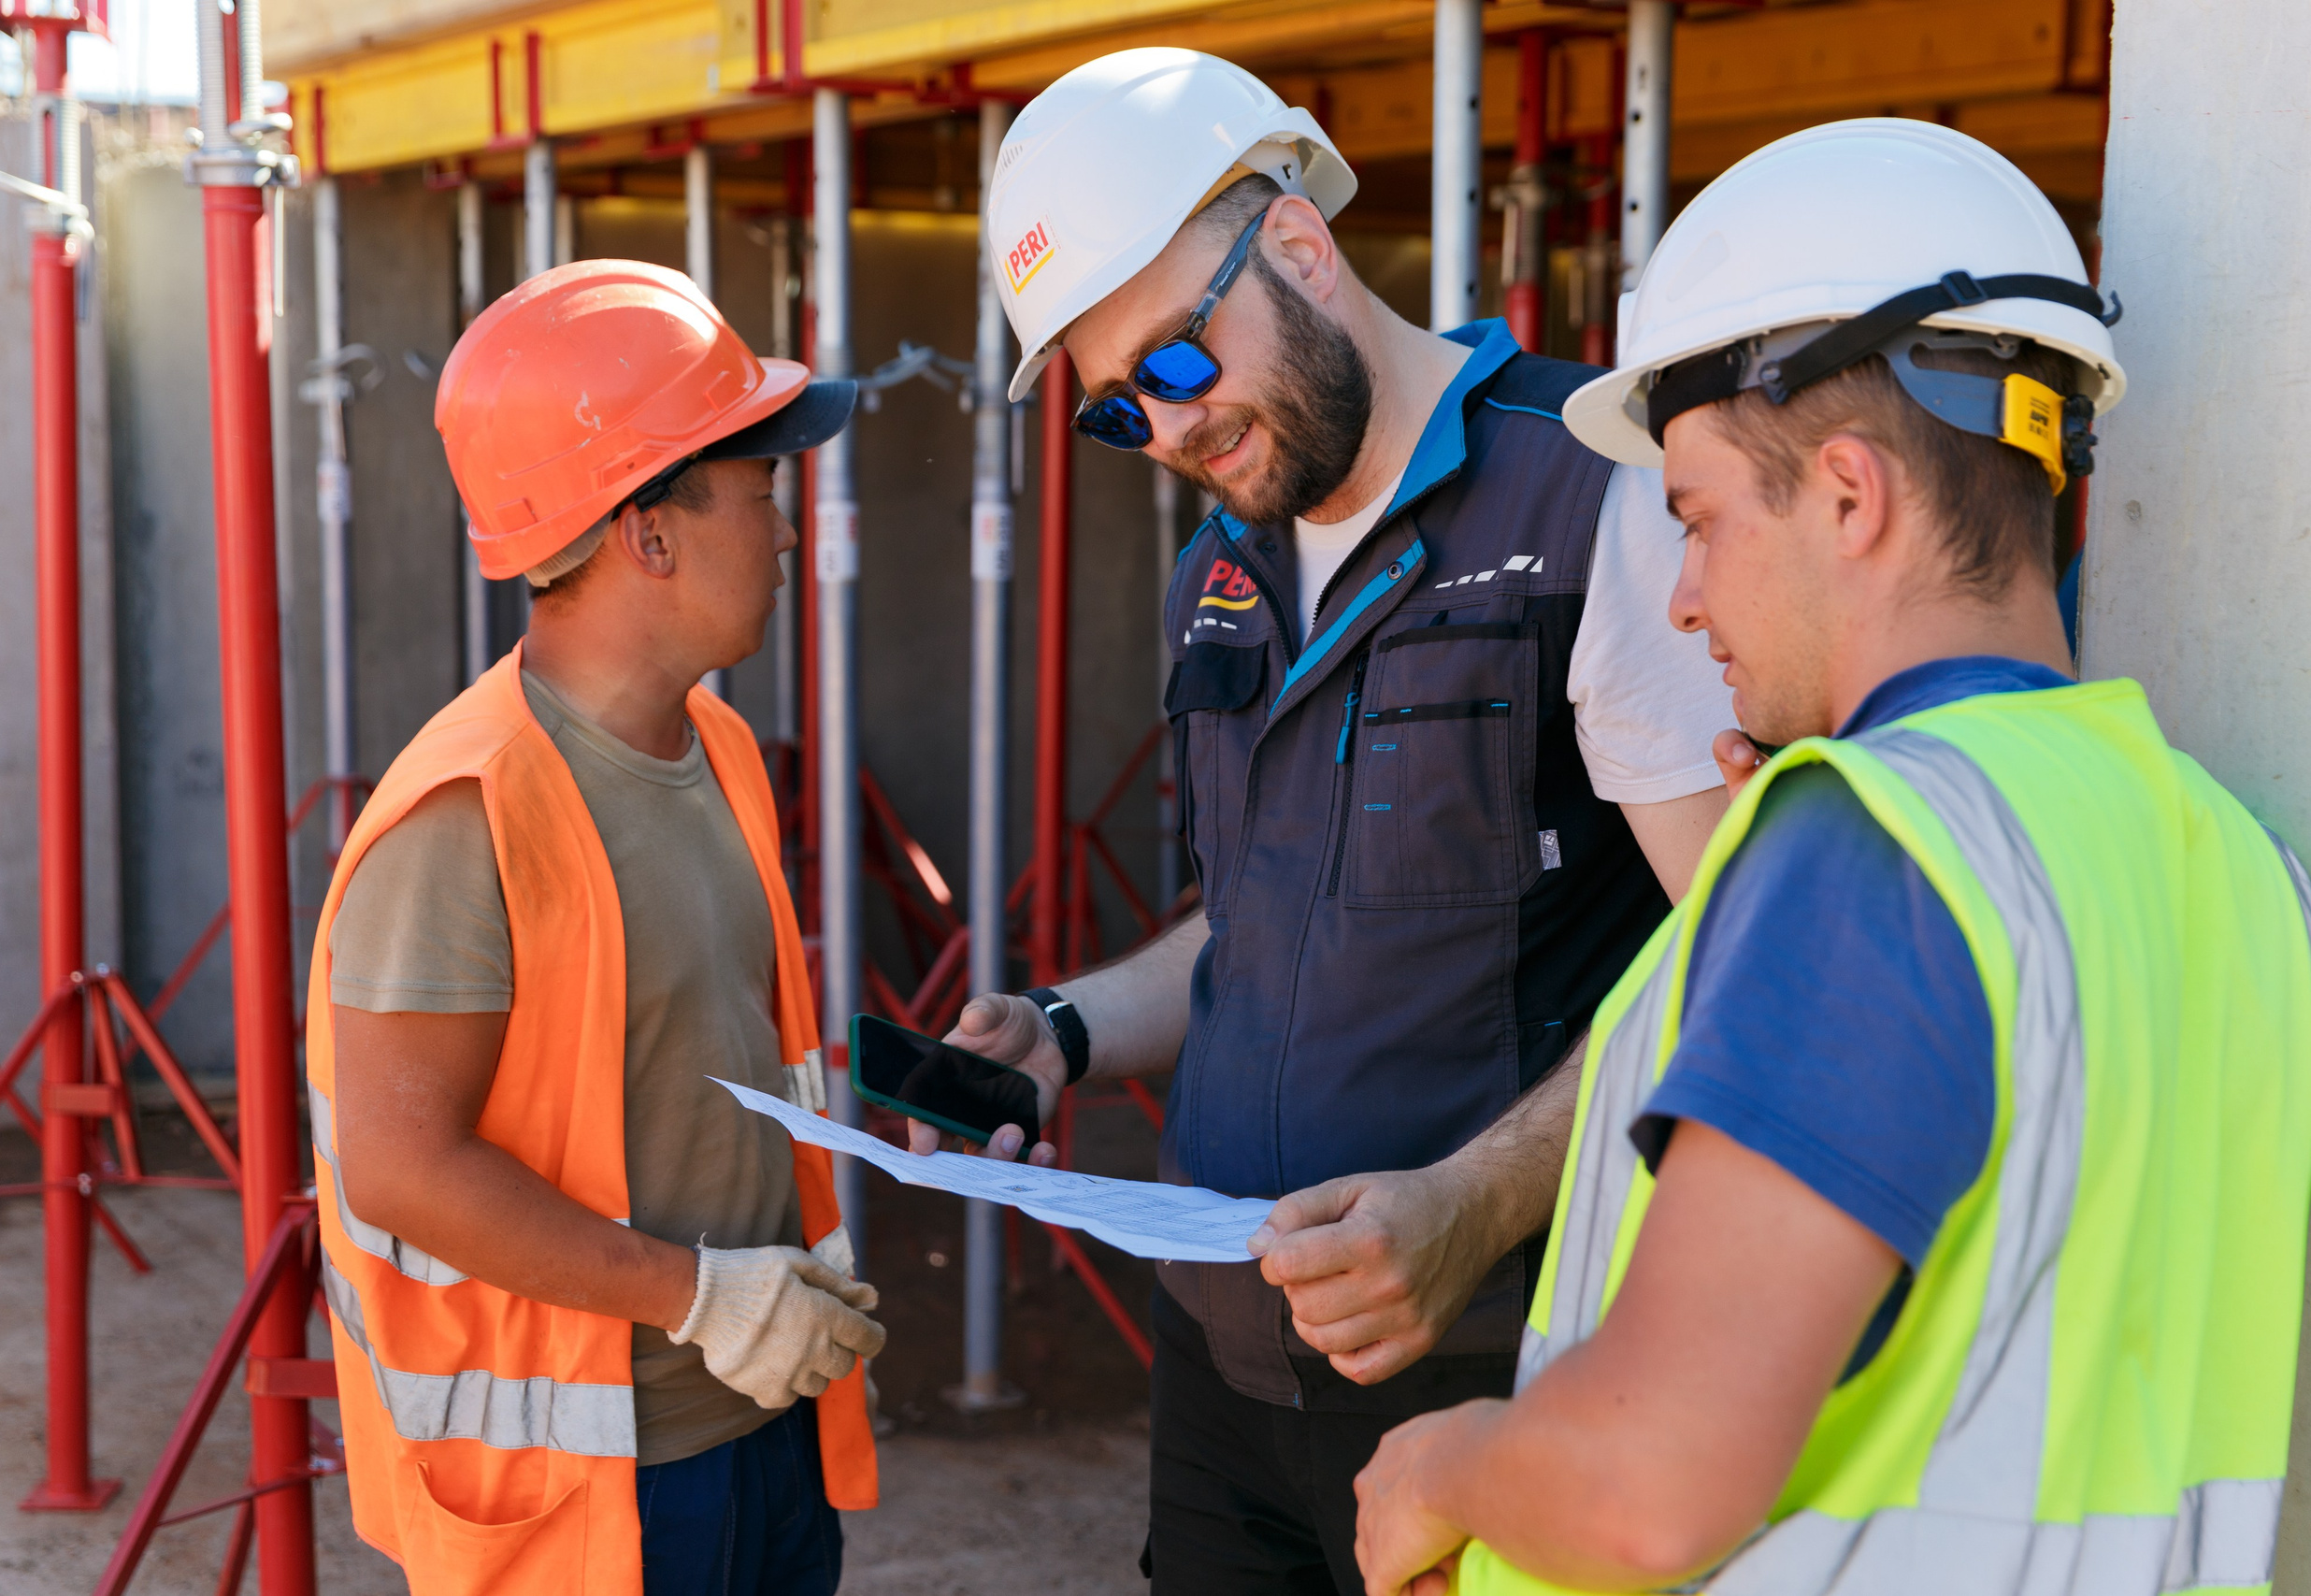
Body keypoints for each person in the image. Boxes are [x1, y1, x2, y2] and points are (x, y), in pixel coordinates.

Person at [1350, 119, 2311, 1596]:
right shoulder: (2235, 862)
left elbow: (1642, 1488)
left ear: (1852, 497)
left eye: (1699, 520)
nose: (1683, 599)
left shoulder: (1876, 852)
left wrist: (1447, 1464)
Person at [933, 49, 1738, 1594]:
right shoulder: (1222, 571)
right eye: (1115, 413)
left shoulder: (1597, 497)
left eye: (1177, 364)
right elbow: (1261, 923)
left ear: (1299, 245)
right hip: (1221, 1369)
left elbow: (1734, 957)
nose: (1166, 432)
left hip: (1496, 1367)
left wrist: (1473, 1205)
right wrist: (1065, 1030)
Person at [308, 260, 885, 1596]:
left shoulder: (719, 748)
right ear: (650, 534)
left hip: (763, 1418)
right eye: (762, 492)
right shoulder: (466, 812)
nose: (786, 534)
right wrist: (697, 1297)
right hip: (601, 1495)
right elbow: (400, 1167)